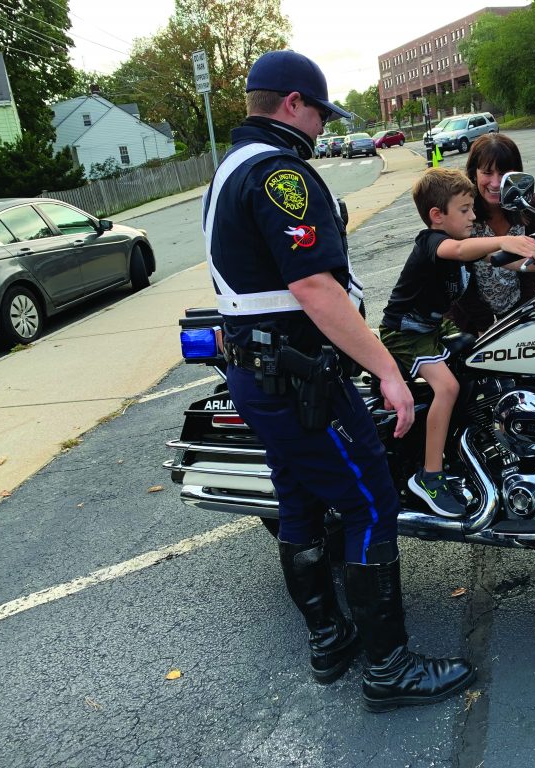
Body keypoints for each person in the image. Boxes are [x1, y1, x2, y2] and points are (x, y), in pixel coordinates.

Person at [201, 49, 474, 712]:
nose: (323, 125)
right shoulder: (277, 175)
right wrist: (389, 372)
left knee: (298, 503)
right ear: (293, 103)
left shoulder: (229, 169)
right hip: (301, 382)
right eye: (320, 111)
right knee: (371, 503)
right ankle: (389, 667)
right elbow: (315, 287)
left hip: (259, 372)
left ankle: (331, 637)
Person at [379, 167, 535, 517]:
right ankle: (429, 476)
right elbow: (458, 249)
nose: (473, 216)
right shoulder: (434, 243)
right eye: (465, 210)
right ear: (437, 216)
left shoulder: (466, 244)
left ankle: (473, 443)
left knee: (487, 353)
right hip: (406, 332)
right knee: (448, 388)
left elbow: (514, 264)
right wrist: (501, 239)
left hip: (433, 328)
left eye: (472, 208)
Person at [448, 133, 535, 335]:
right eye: (487, 172)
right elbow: (457, 277)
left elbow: (532, 265)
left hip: (515, 313)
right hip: (467, 321)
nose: (495, 183)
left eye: (503, 173)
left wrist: (523, 315)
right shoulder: (462, 211)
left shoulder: (530, 205)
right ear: (473, 173)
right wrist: (484, 325)